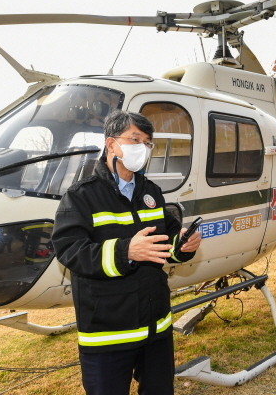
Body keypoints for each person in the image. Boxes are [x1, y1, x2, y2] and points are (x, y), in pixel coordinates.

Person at [52, 109, 201, 395]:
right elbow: (69, 250)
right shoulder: (81, 195)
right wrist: (126, 252)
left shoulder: (151, 192)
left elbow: (164, 243)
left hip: (156, 328)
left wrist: (182, 246)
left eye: (147, 143)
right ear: (111, 144)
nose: (142, 149)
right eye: (135, 140)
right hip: (108, 334)